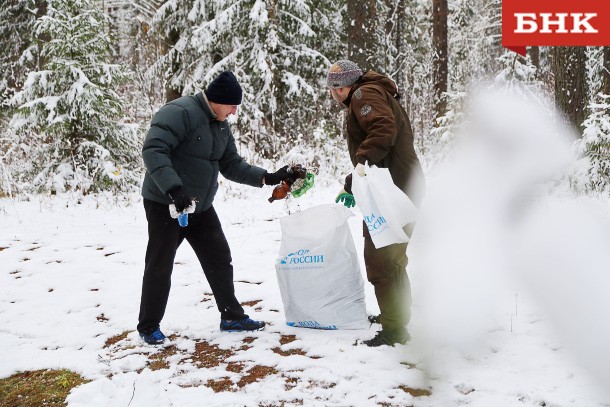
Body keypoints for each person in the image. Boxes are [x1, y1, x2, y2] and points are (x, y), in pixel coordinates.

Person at [138, 71, 292, 345]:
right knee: (160, 265)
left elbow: (231, 164)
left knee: (220, 258)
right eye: (232, 106)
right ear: (218, 100)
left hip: (200, 205)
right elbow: (153, 150)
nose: (234, 113)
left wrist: (267, 177)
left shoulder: (220, 125)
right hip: (166, 203)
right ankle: (149, 327)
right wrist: (174, 188)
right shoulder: (180, 113)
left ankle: (231, 316)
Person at [327, 60, 425, 347]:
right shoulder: (373, 92)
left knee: (381, 261)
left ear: (343, 87)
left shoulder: (363, 95)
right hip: (399, 187)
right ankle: (396, 316)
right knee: (393, 259)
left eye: (336, 88)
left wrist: (359, 168)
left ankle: (395, 330)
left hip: (392, 192)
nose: (335, 94)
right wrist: (355, 181)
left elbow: (382, 130)